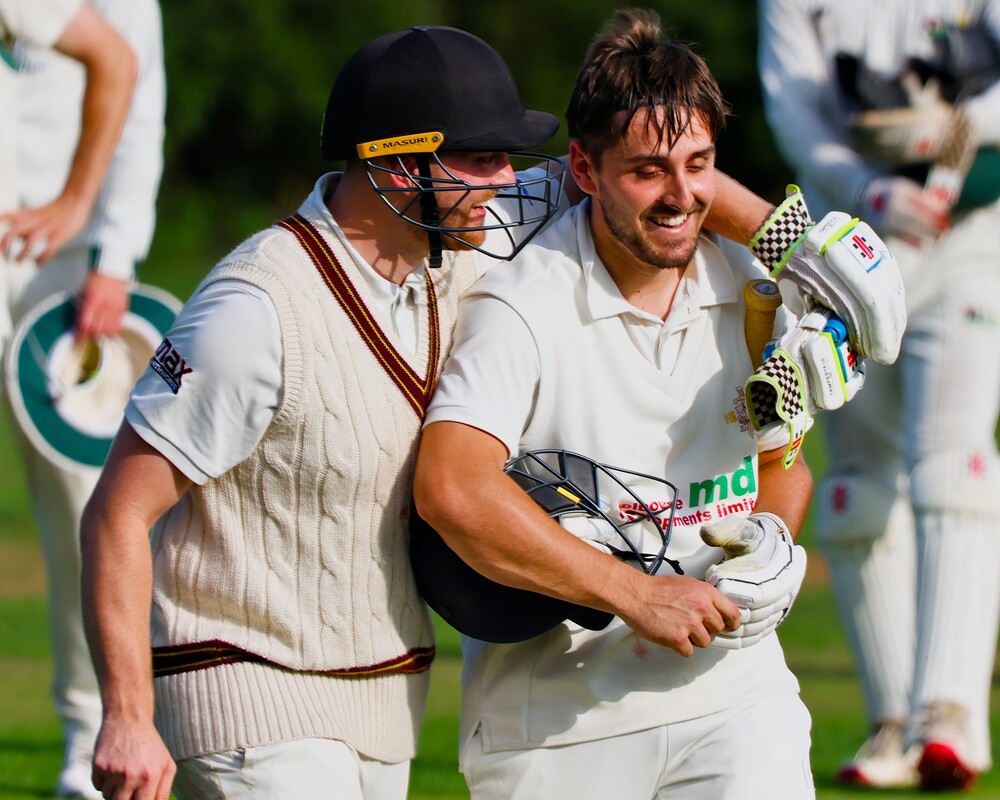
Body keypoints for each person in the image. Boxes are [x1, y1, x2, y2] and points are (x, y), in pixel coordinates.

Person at [78, 18, 907, 800]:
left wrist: (792, 244)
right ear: (399, 166)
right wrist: (126, 713)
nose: (510, 179)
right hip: (243, 685)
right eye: (481, 157)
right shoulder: (256, 310)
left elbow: (656, 162)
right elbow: (118, 510)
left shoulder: (455, 251)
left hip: (379, 699)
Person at [411, 9, 902, 798]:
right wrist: (637, 595)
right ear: (583, 168)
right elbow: (452, 487)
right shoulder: (521, 302)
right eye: (646, 171)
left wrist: (773, 540)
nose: (680, 196)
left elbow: (783, 463)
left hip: (736, 698)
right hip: (554, 721)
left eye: (699, 163)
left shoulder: (755, 287)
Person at [758, 0, 1000, 791]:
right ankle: (891, 722)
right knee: (855, 485)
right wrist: (868, 183)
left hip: (969, 237)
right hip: (848, 240)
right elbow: (794, 107)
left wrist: (951, 139)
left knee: (952, 463)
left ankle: (951, 715)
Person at [2, 2, 164, 797]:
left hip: (59, 258)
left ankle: (90, 726)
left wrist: (113, 246)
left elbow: (134, 84)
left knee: (83, 500)